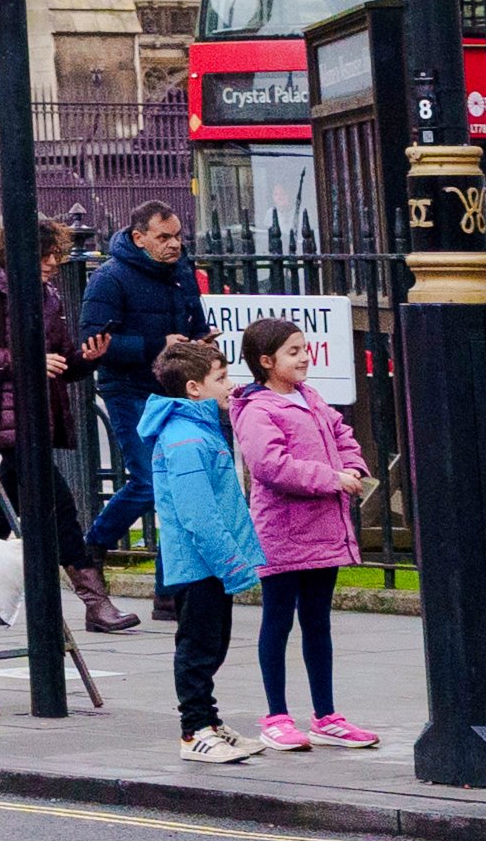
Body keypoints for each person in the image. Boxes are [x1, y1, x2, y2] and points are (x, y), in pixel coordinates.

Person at [0, 229, 142, 630]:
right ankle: (96, 603)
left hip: (39, 415)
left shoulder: (48, 297)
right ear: (18, 255)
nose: (53, 262)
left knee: (4, 502)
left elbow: (60, 361)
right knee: (60, 505)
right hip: (8, 418)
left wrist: (87, 358)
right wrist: (28, 359)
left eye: (56, 254)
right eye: (45, 254)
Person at [229, 317, 371, 752]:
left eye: (305, 348)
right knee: (277, 620)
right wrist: (331, 477)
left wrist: (354, 467)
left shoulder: (311, 397)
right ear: (266, 362)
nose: (304, 357)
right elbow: (270, 466)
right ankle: (276, 715)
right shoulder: (258, 409)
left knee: (317, 622)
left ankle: (326, 715)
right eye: (293, 352)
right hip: (283, 532)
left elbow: (343, 434)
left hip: (323, 530)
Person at [140, 338, 270, 765]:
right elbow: (198, 515)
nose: (230, 385)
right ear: (194, 388)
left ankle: (209, 724)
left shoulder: (199, 429)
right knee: (197, 650)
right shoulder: (185, 439)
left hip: (211, 562)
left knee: (213, 645)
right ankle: (194, 730)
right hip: (200, 564)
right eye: (221, 377)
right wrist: (231, 563)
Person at [78, 199, 216, 577]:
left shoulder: (180, 271)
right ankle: (93, 548)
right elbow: (94, 344)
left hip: (173, 389)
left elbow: (195, 322)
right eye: (164, 237)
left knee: (176, 487)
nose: (174, 244)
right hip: (129, 388)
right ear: (139, 238)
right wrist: (159, 345)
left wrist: (200, 343)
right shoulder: (110, 278)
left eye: (178, 237)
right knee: (147, 482)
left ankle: (168, 588)